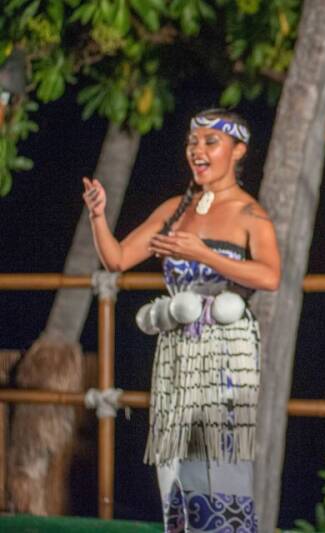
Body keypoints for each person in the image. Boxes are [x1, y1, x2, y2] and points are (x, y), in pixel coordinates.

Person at [83, 109, 280, 532]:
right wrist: (98, 216)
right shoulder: (176, 209)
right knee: (174, 468)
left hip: (226, 355)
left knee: (215, 466)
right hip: (177, 354)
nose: (198, 151)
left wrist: (203, 254)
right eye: (194, 143)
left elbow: (270, 275)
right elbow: (116, 258)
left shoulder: (250, 214)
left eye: (211, 142)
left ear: (238, 151)